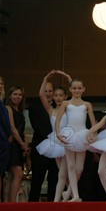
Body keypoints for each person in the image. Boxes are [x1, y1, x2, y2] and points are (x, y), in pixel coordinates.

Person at [55, 78, 97, 202]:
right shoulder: (65, 104)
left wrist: (93, 133)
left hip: (82, 134)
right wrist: (57, 133)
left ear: (83, 89)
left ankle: (67, 193)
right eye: (74, 88)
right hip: (69, 134)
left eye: (79, 88)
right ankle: (76, 196)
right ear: (70, 89)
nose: (77, 90)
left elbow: (93, 121)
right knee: (71, 166)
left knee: (80, 168)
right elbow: (58, 120)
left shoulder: (87, 104)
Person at [34, 70, 71, 202]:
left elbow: (74, 89)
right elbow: (41, 94)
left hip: (68, 141)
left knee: (70, 171)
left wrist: (67, 77)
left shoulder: (70, 108)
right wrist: (45, 78)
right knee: (62, 171)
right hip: (55, 142)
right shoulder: (51, 110)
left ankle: (69, 195)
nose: (58, 98)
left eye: (61, 95)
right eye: (56, 95)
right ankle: (68, 196)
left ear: (66, 96)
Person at [28, 74, 59, 202]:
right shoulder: (34, 106)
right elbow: (36, 126)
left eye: (50, 91)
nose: (48, 93)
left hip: (57, 149)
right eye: (45, 91)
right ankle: (32, 206)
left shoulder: (59, 106)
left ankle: (52, 206)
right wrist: (52, 137)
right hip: (41, 147)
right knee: (37, 179)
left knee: (55, 179)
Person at [6, 86, 30, 202]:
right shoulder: (8, 108)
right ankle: (12, 204)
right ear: (10, 96)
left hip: (18, 146)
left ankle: (7, 202)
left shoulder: (20, 111)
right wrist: (22, 144)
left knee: (12, 177)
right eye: (15, 94)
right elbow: (12, 128)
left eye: (20, 95)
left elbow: (21, 130)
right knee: (18, 175)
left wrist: (23, 146)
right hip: (12, 145)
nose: (17, 97)